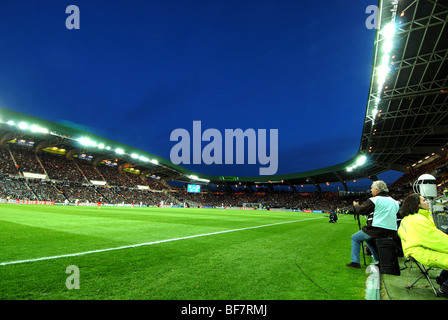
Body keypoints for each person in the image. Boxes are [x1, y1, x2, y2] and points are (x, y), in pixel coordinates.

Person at [398, 193, 448, 296]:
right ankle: (446, 287)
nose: (427, 202)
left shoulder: (413, 218)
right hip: (421, 251)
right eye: (424, 200)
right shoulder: (417, 220)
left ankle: (443, 278)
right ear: (417, 205)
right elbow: (435, 238)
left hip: (419, 249)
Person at [346, 180, 399, 268]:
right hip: (392, 231)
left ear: (377, 190)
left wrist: (356, 205)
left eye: (372, 188)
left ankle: (355, 262)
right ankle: (379, 260)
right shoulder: (394, 202)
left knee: (355, 238)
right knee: (369, 240)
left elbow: (361, 210)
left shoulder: (375, 200)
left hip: (376, 230)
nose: (371, 190)